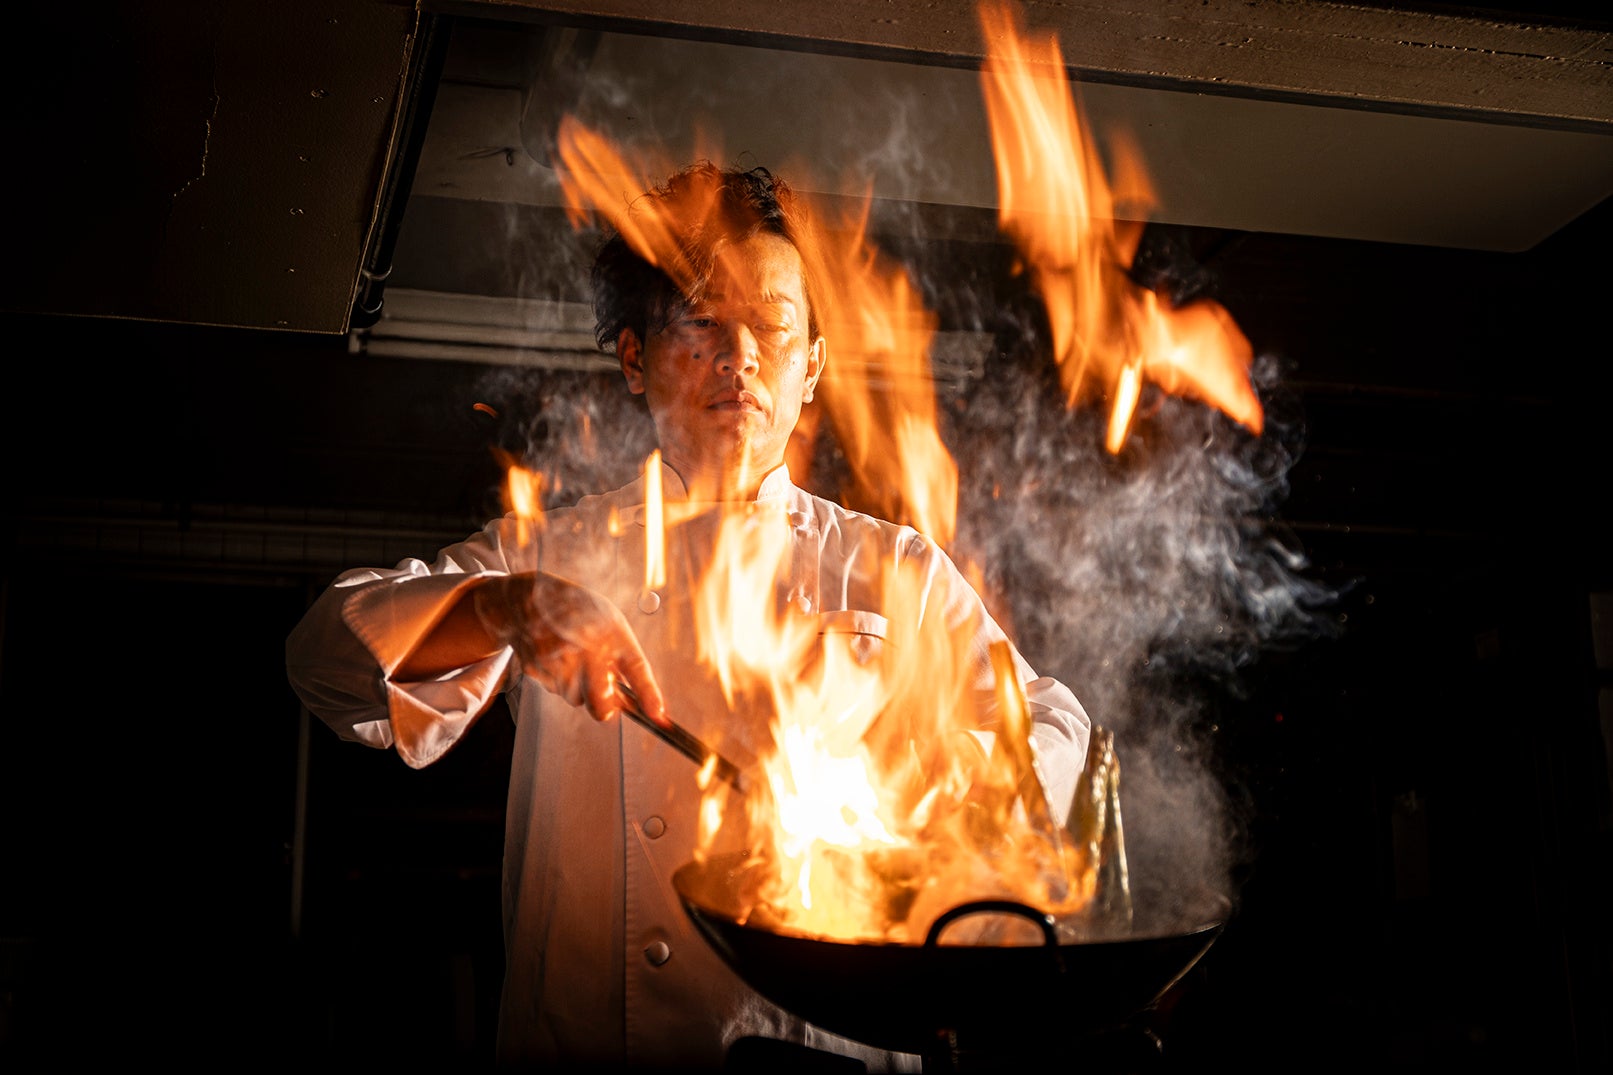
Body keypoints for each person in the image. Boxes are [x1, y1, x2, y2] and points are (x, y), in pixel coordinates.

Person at [286, 162, 1091, 1071]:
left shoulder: (890, 565)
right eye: (702, 320)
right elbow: (324, 660)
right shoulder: (545, 553)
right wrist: (508, 607)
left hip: (829, 1060)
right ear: (634, 358)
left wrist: (967, 772)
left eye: (774, 328)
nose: (738, 355)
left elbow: (1058, 728)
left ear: (813, 367)